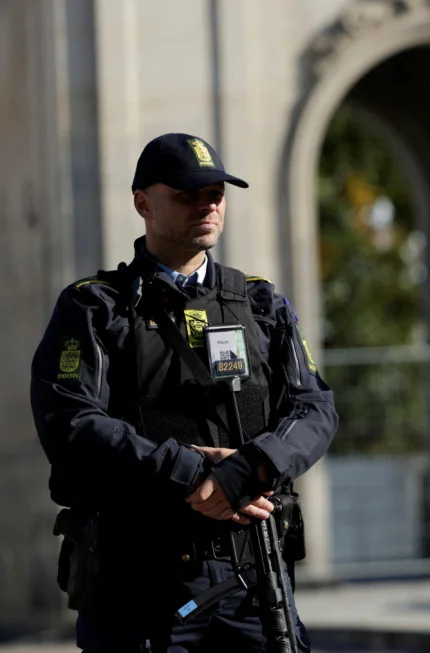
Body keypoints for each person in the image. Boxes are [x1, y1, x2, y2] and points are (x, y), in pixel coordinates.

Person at [29, 133, 338, 652]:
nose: (207, 204)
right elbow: (70, 420)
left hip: (251, 577)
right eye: (188, 194)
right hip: (139, 582)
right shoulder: (96, 307)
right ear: (143, 204)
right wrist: (190, 471)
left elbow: (315, 408)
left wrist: (250, 469)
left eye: (216, 192)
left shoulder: (261, 303)